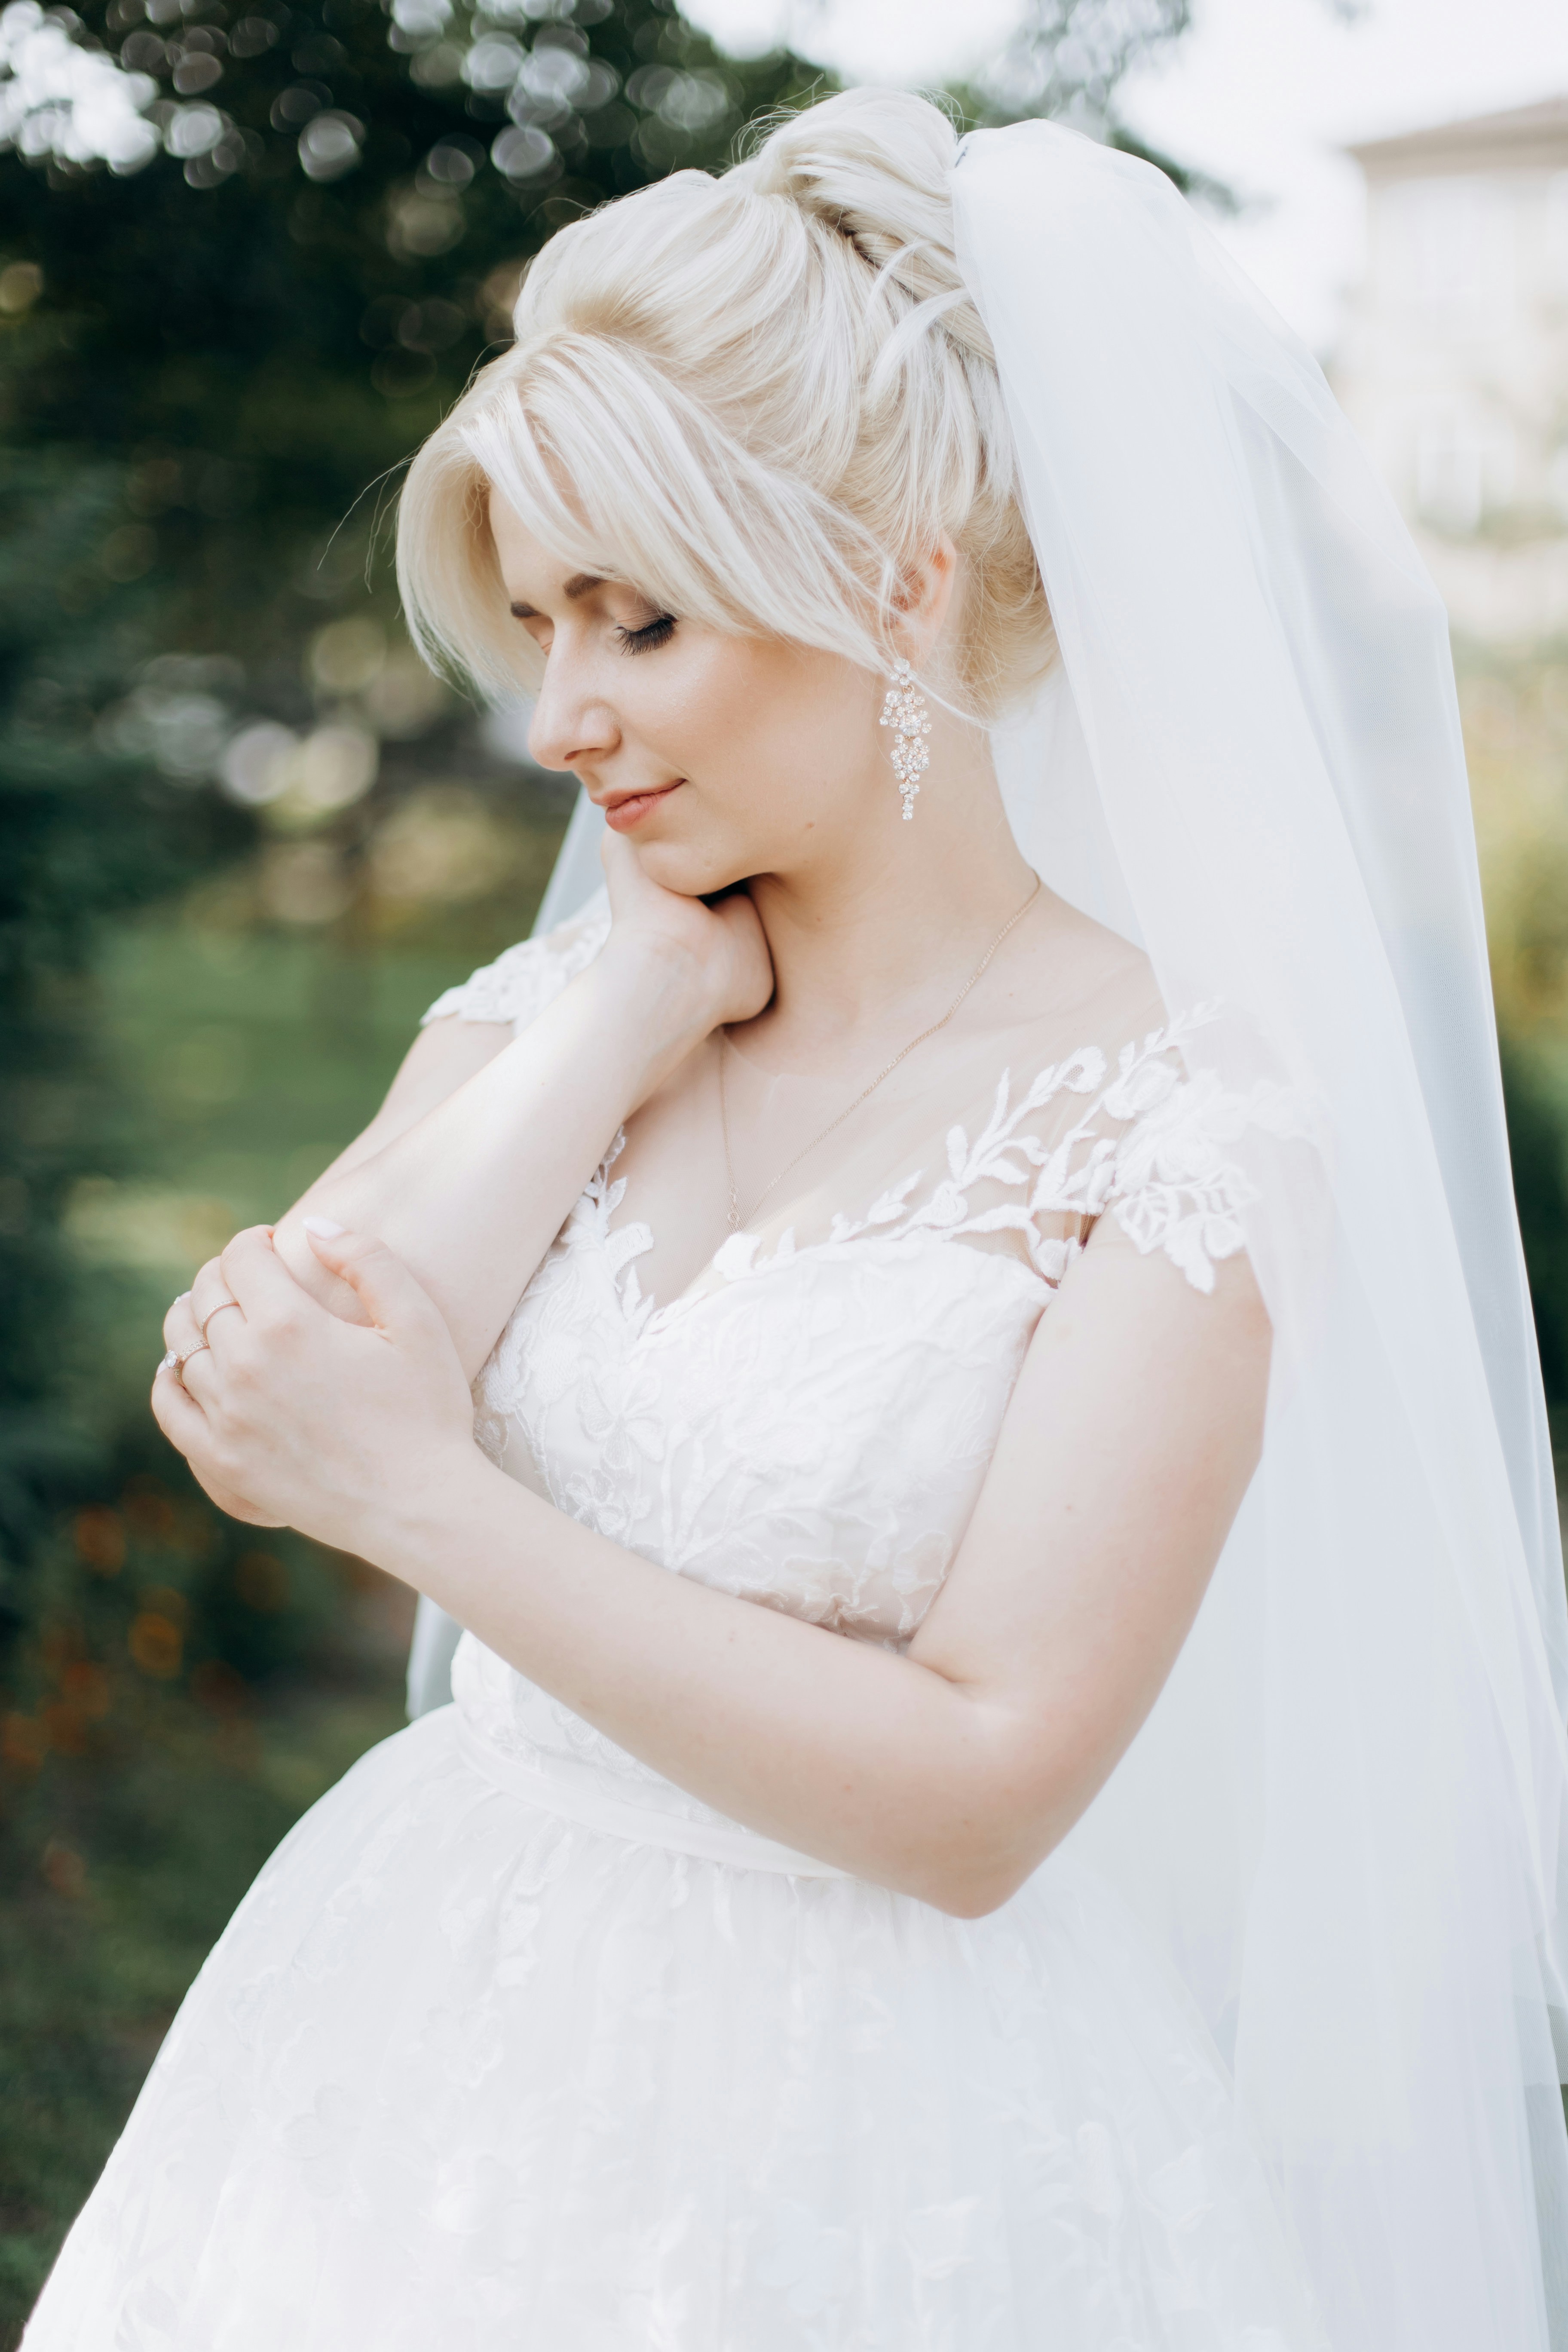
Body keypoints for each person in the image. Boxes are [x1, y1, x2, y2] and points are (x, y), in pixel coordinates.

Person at [25, 87, 1568, 2352]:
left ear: (898, 588)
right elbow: (271, 1390)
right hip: (431, 2018)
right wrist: (621, 1008)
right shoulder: (561, 1007)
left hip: (884, 2130)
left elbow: (975, 1790)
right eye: (541, 621)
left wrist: (437, 1509)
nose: (559, 715)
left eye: (638, 622)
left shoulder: (1183, 1126)